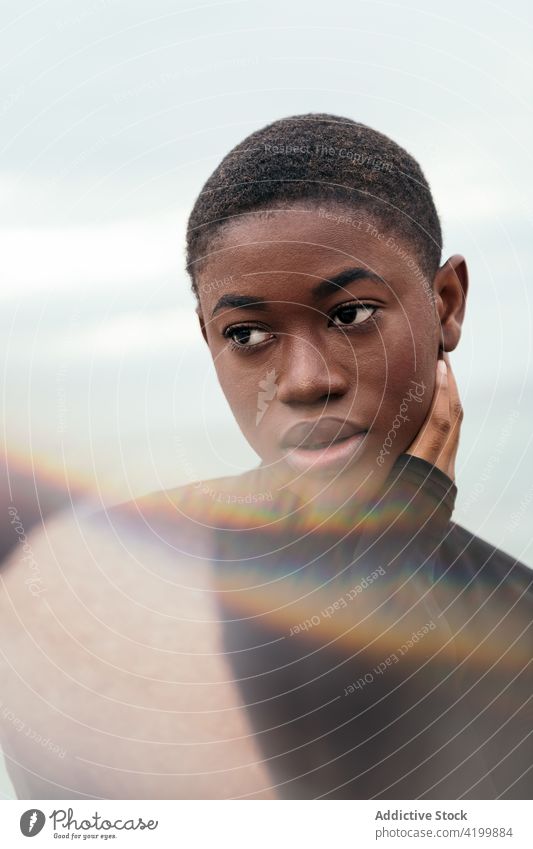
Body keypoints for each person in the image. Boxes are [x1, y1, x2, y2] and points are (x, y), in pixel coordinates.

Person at [0, 114, 530, 800]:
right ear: (206, 338)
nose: (306, 381)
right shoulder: (112, 579)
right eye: (246, 333)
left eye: (350, 315)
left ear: (446, 303)